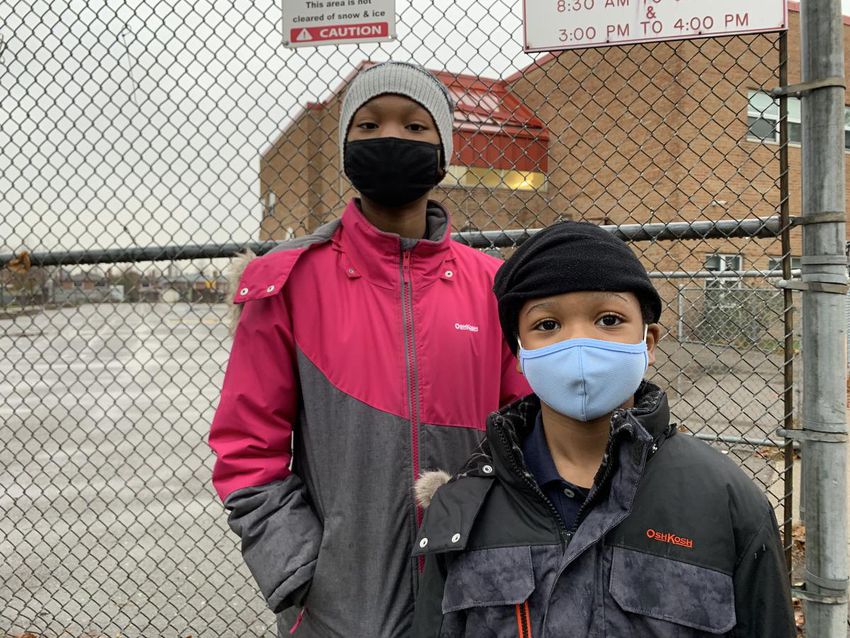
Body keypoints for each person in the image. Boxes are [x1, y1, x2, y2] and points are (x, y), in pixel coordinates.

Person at [208, 60, 528, 638]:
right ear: (344, 147)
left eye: (414, 126)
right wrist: (301, 571)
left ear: (443, 151)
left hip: (476, 598)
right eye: (368, 124)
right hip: (338, 610)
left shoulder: (496, 287)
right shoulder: (289, 283)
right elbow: (246, 449)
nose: (390, 137)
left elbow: (529, 433)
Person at [411, 221, 795, 637]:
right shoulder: (466, 506)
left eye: (609, 319)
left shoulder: (726, 502)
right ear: (518, 353)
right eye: (547, 325)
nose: (579, 343)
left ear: (648, 341)